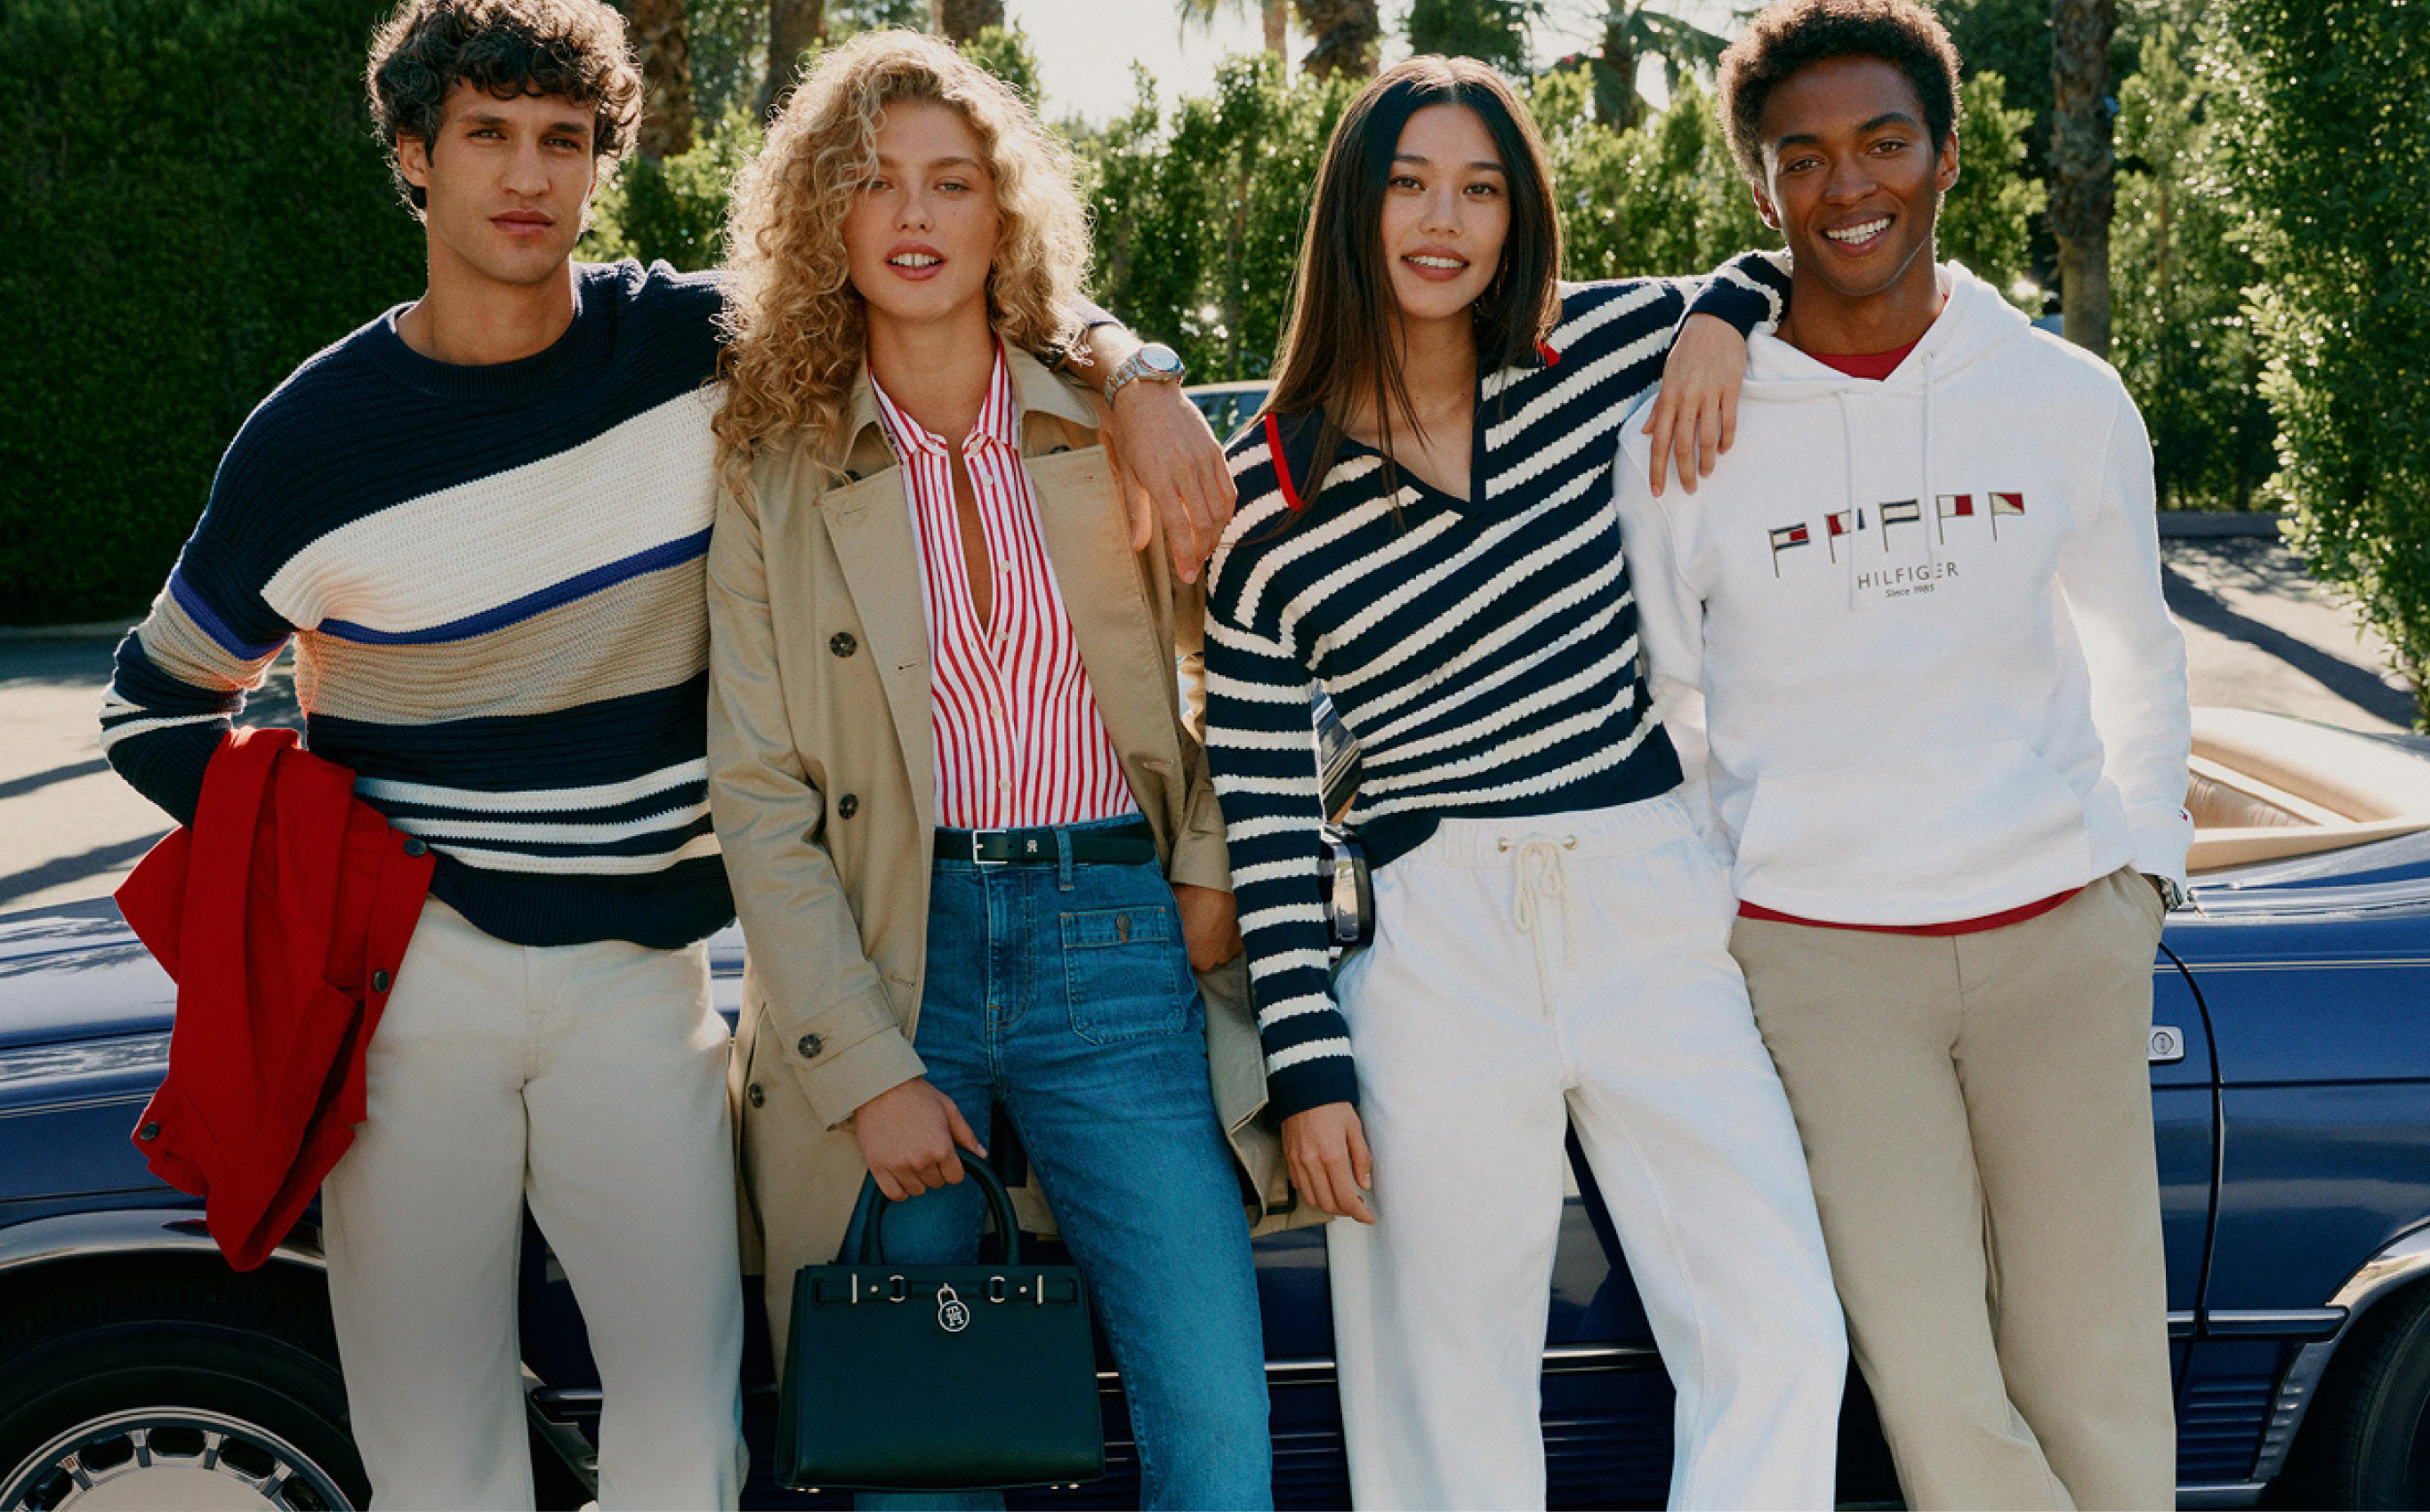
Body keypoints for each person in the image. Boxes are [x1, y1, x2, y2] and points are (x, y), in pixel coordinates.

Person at [94, 1, 1235, 1504]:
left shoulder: (698, 351)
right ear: (412, 159)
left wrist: (1135, 368)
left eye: (561, 143)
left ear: (599, 165)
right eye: (486, 137)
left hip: (641, 983)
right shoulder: (313, 437)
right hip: (410, 988)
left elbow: (941, 282)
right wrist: (349, 868)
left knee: (694, 1434)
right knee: (438, 1448)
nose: (526, 177)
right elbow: (152, 704)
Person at [1202, 55, 1847, 1511]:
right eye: (1412, 183)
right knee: (1445, 1404)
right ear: (1355, 211)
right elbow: (1263, 809)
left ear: (1517, 217)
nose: (1447, 220)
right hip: (1432, 942)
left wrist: (1723, 324)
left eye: (1481, 189)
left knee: (1780, 1327)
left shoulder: (1592, 362)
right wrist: (1308, 1072)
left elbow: (1767, 258)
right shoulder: (1262, 504)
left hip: (1643, 893)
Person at [1613, 2, 2192, 1506]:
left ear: (1943, 159)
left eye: (1882, 144)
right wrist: (1733, 914)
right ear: (1762, 190)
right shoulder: (1689, 427)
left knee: (2096, 1372)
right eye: (1802, 158)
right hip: (1823, 967)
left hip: (2060, 938)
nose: (1846, 186)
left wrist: (2143, 882)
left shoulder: (2062, 396)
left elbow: (2139, 649)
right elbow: (1671, 703)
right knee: (1934, 1389)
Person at [705, 31, 1275, 1510]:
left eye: (952, 183)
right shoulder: (775, 465)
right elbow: (760, 792)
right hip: (897, 954)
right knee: (919, 1451)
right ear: (821, 218)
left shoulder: (1110, 423)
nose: (912, 216)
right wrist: (863, 1065)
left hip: (1118, 944)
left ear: (1002, 217)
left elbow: (1261, 665)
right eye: (874, 183)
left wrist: (1207, 873)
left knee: (1217, 1437)